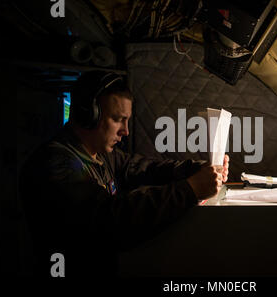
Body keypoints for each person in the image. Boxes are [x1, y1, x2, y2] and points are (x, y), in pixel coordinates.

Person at [19, 71, 229, 277]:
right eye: (118, 119)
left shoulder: (101, 154)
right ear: (88, 115)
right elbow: (112, 221)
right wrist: (190, 189)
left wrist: (197, 169)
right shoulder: (55, 166)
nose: (125, 131)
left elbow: (146, 169)